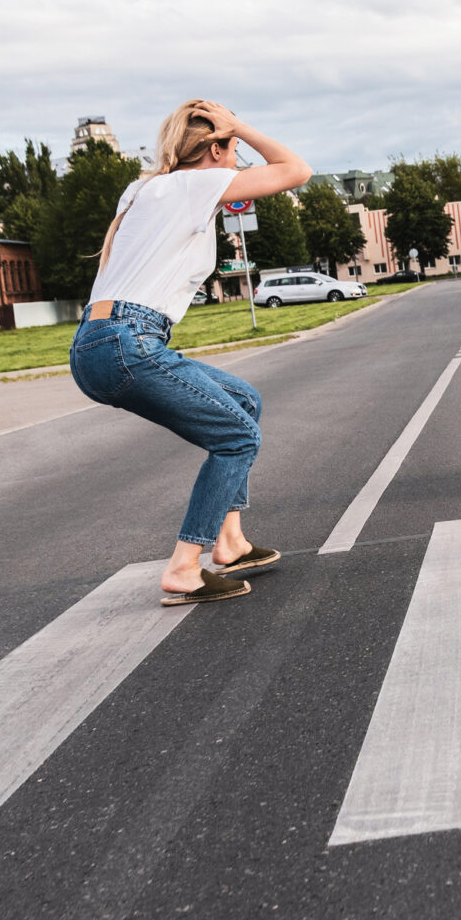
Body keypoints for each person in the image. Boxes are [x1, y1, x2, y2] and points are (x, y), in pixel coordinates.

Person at [68, 101, 312, 605]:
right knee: (238, 437)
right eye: (234, 152)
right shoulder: (191, 183)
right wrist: (239, 124)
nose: (239, 165)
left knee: (242, 402)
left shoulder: (143, 190)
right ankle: (184, 567)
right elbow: (296, 171)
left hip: (100, 340)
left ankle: (231, 542)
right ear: (214, 149)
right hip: (126, 338)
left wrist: (228, 133)